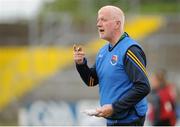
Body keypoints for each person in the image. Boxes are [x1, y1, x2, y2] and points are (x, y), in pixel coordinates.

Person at [73, 5, 150, 126]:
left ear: (117, 24)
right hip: (112, 119)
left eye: (103, 20)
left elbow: (143, 87)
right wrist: (81, 64)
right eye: (98, 20)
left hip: (130, 120)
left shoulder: (130, 49)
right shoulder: (103, 51)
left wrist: (114, 107)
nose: (98, 24)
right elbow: (91, 81)